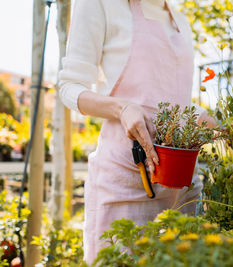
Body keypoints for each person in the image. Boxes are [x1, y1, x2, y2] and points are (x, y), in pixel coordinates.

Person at [59, 0, 216, 264]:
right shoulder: (100, 4)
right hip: (127, 180)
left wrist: (207, 119)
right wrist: (122, 108)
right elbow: (69, 87)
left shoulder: (180, 19)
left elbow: (171, 99)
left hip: (183, 188)